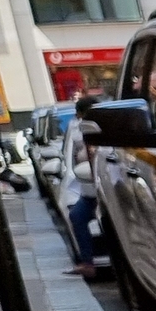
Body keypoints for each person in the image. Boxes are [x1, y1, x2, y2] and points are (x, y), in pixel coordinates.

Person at [59, 95, 98, 278]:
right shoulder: (77, 131)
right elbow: (79, 160)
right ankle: (87, 262)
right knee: (77, 216)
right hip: (90, 189)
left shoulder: (104, 129)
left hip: (106, 187)